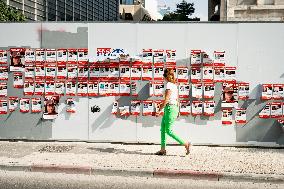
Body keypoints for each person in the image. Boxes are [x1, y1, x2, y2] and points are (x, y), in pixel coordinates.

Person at [155, 68, 191, 156]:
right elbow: (176, 99)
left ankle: (185, 144)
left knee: (168, 131)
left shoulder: (169, 85)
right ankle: (162, 150)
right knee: (163, 129)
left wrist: (159, 110)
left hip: (170, 108)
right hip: (171, 108)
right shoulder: (174, 85)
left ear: (164, 77)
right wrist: (177, 110)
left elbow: (167, 100)